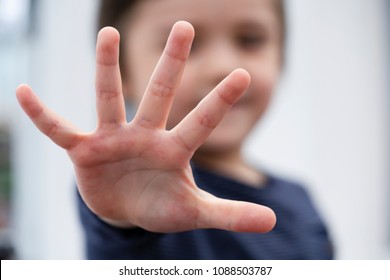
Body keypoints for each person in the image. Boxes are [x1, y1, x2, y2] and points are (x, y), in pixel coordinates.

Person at [15, 0, 333, 259]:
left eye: (250, 39)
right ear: (124, 70)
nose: (223, 66)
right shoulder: (131, 183)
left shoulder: (301, 200)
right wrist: (123, 219)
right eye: (187, 46)